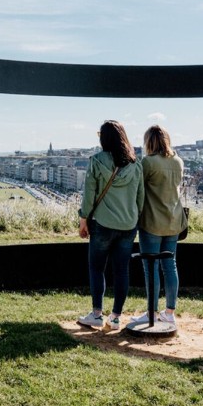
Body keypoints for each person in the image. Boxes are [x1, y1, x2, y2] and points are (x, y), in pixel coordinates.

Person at [77, 120, 144, 331]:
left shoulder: (97, 161)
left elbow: (89, 195)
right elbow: (140, 198)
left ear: (103, 139)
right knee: (121, 270)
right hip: (128, 225)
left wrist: (83, 219)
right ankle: (115, 318)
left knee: (97, 268)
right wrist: (135, 219)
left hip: (103, 224)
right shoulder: (136, 164)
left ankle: (97, 314)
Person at [132, 125, 185, 325]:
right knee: (170, 265)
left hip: (152, 220)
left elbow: (139, 189)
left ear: (149, 142)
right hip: (173, 220)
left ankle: (152, 312)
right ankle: (170, 312)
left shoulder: (148, 163)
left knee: (151, 267)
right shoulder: (178, 161)